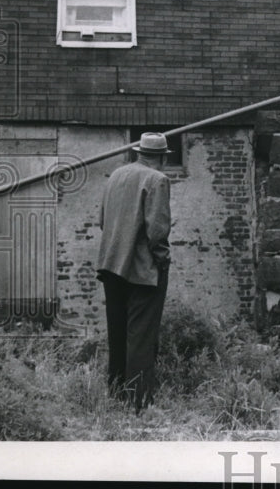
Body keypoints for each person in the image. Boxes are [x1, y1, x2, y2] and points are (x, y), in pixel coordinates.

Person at [97, 131, 173, 412]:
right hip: (143, 271)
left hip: (110, 266)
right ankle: (139, 404)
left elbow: (102, 220)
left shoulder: (116, 175)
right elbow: (157, 231)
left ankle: (116, 395)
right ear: (162, 158)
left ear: (139, 153)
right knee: (141, 337)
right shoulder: (158, 180)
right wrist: (162, 262)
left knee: (117, 334)